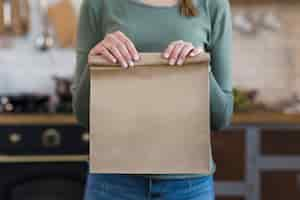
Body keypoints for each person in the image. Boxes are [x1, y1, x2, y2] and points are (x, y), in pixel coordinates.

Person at [71, 0, 233, 199]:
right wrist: (94, 64)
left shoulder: (213, 4)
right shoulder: (97, 4)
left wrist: (200, 69)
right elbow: (81, 115)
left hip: (187, 187)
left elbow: (222, 117)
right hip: (112, 185)